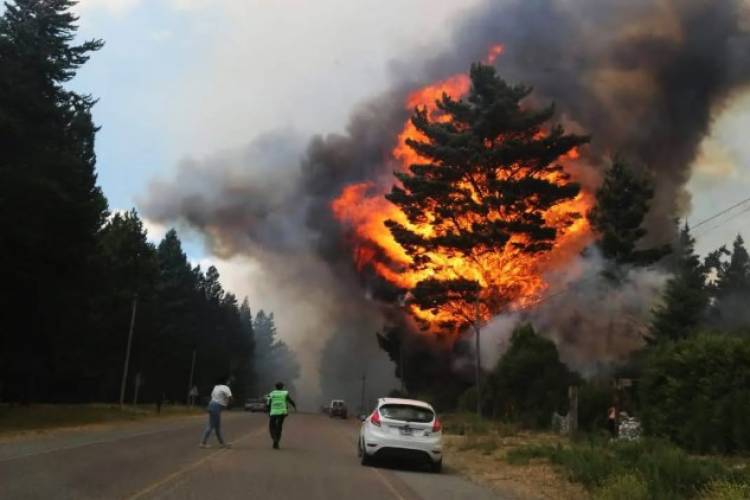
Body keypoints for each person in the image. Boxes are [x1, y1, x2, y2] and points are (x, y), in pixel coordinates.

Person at [200, 376, 233, 449]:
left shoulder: (216, 387)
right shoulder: (226, 388)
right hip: (216, 407)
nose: (229, 382)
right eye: (228, 381)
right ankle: (203, 443)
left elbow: (214, 397)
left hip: (211, 405)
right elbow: (230, 397)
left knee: (217, 427)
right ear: (225, 382)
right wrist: (228, 404)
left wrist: (225, 403)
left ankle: (222, 444)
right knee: (211, 426)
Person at [266, 382, 296, 449]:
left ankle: (274, 438)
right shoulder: (285, 393)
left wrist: (268, 410)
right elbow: (290, 401)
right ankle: (277, 440)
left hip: (273, 412)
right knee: (279, 426)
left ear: (275, 387)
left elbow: (268, 403)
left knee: (272, 426)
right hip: (282, 412)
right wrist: (294, 406)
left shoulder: (271, 393)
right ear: (282, 387)